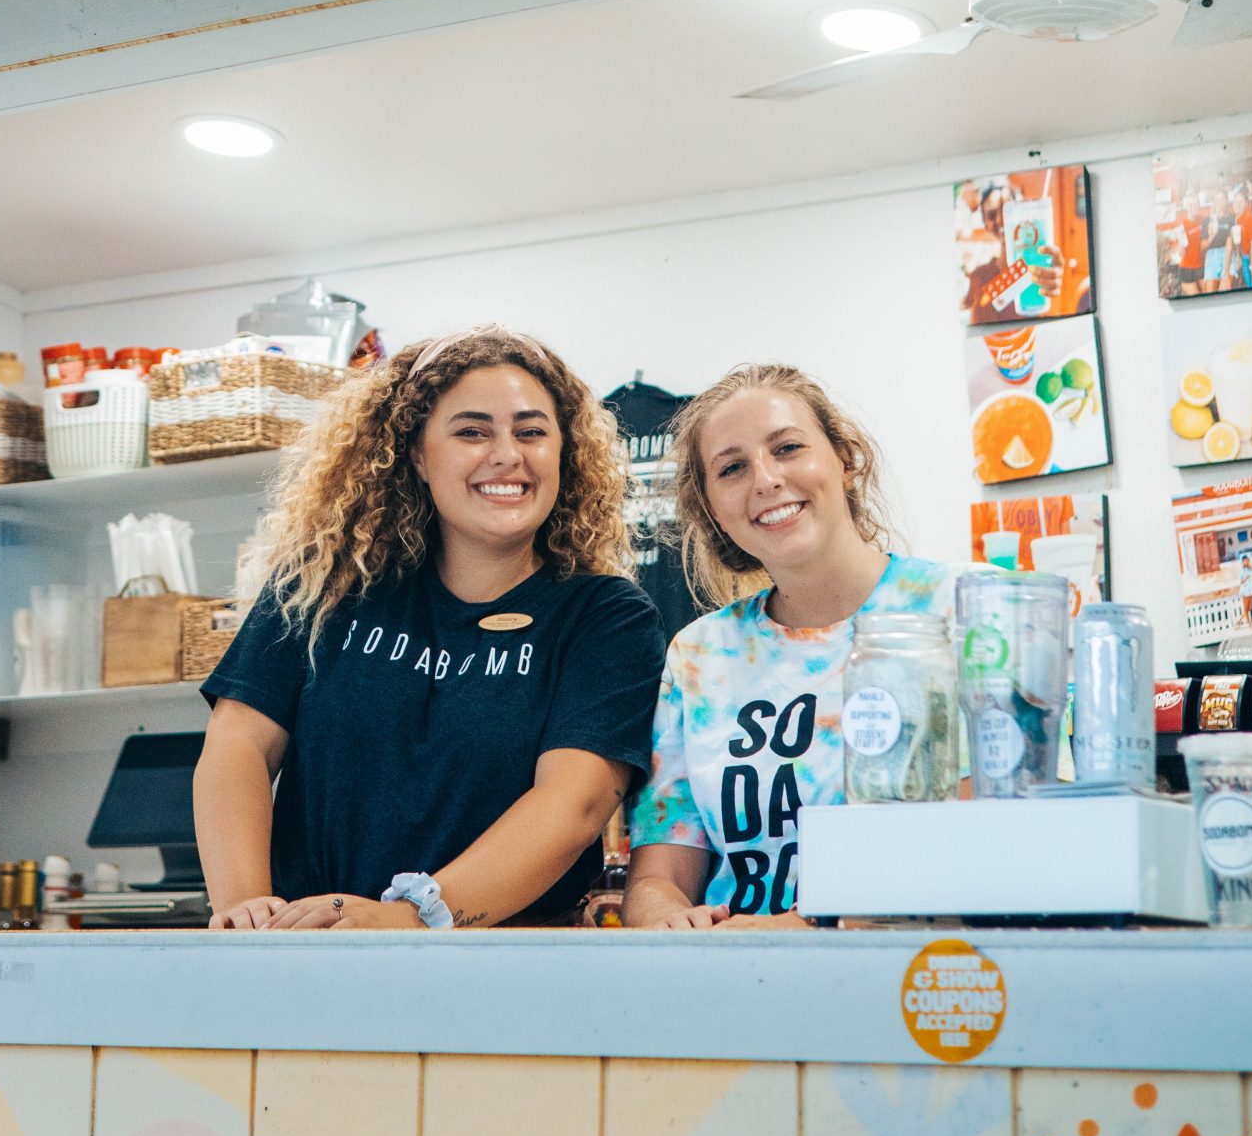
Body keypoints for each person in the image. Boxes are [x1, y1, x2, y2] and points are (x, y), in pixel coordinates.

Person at [195, 326, 664, 930]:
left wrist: (413, 917)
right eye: (472, 431)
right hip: (307, 951)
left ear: (563, 452)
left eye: (532, 431)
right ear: (416, 452)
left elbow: (573, 805)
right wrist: (242, 910)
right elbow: (240, 745)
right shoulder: (325, 584)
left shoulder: (606, 617)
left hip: (499, 973)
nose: (506, 454)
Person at [624, 364, 953, 933]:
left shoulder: (962, 609)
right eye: (732, 468)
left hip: (916, 989)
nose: (765, 479)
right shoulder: (698, 656)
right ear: (712, 511)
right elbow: (659, 877)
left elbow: (998, 838)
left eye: (788, 448)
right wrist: (669, 921)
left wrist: (813, 928)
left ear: (846, 460)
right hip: (738, 990)